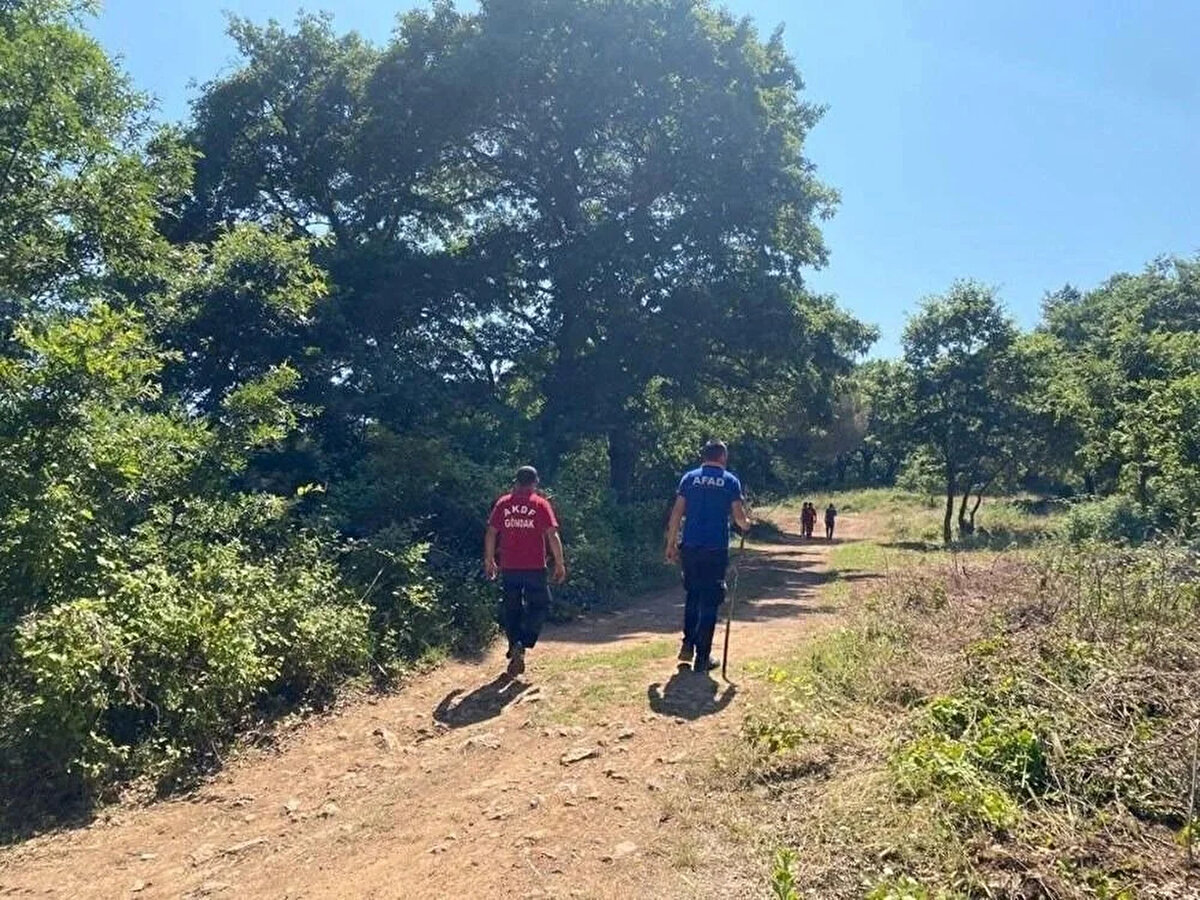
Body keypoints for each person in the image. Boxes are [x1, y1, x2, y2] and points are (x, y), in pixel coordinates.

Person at [664, 440, 752, 673]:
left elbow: (677, 513)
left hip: (690, 547)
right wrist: (747, 525)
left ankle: (687, 643)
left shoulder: (689, 479)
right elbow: (739, 517)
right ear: (722, 457)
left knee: (693, 595)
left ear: (704, 456)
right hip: (715, 549)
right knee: (711, 600)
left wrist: (671, 543)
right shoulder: (730, 481)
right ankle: (703, 657)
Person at [484, 466, 566, 677]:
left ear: (516, 481)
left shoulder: (503, 503)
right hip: (534, 567)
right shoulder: (540, 504)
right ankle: (524, 641)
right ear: (534, 483)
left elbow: (492, 533)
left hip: (509, 566)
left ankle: (514, 644)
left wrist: (490, 559)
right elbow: (552, 535)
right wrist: (559, 563)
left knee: (511, 607)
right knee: (541, 604)